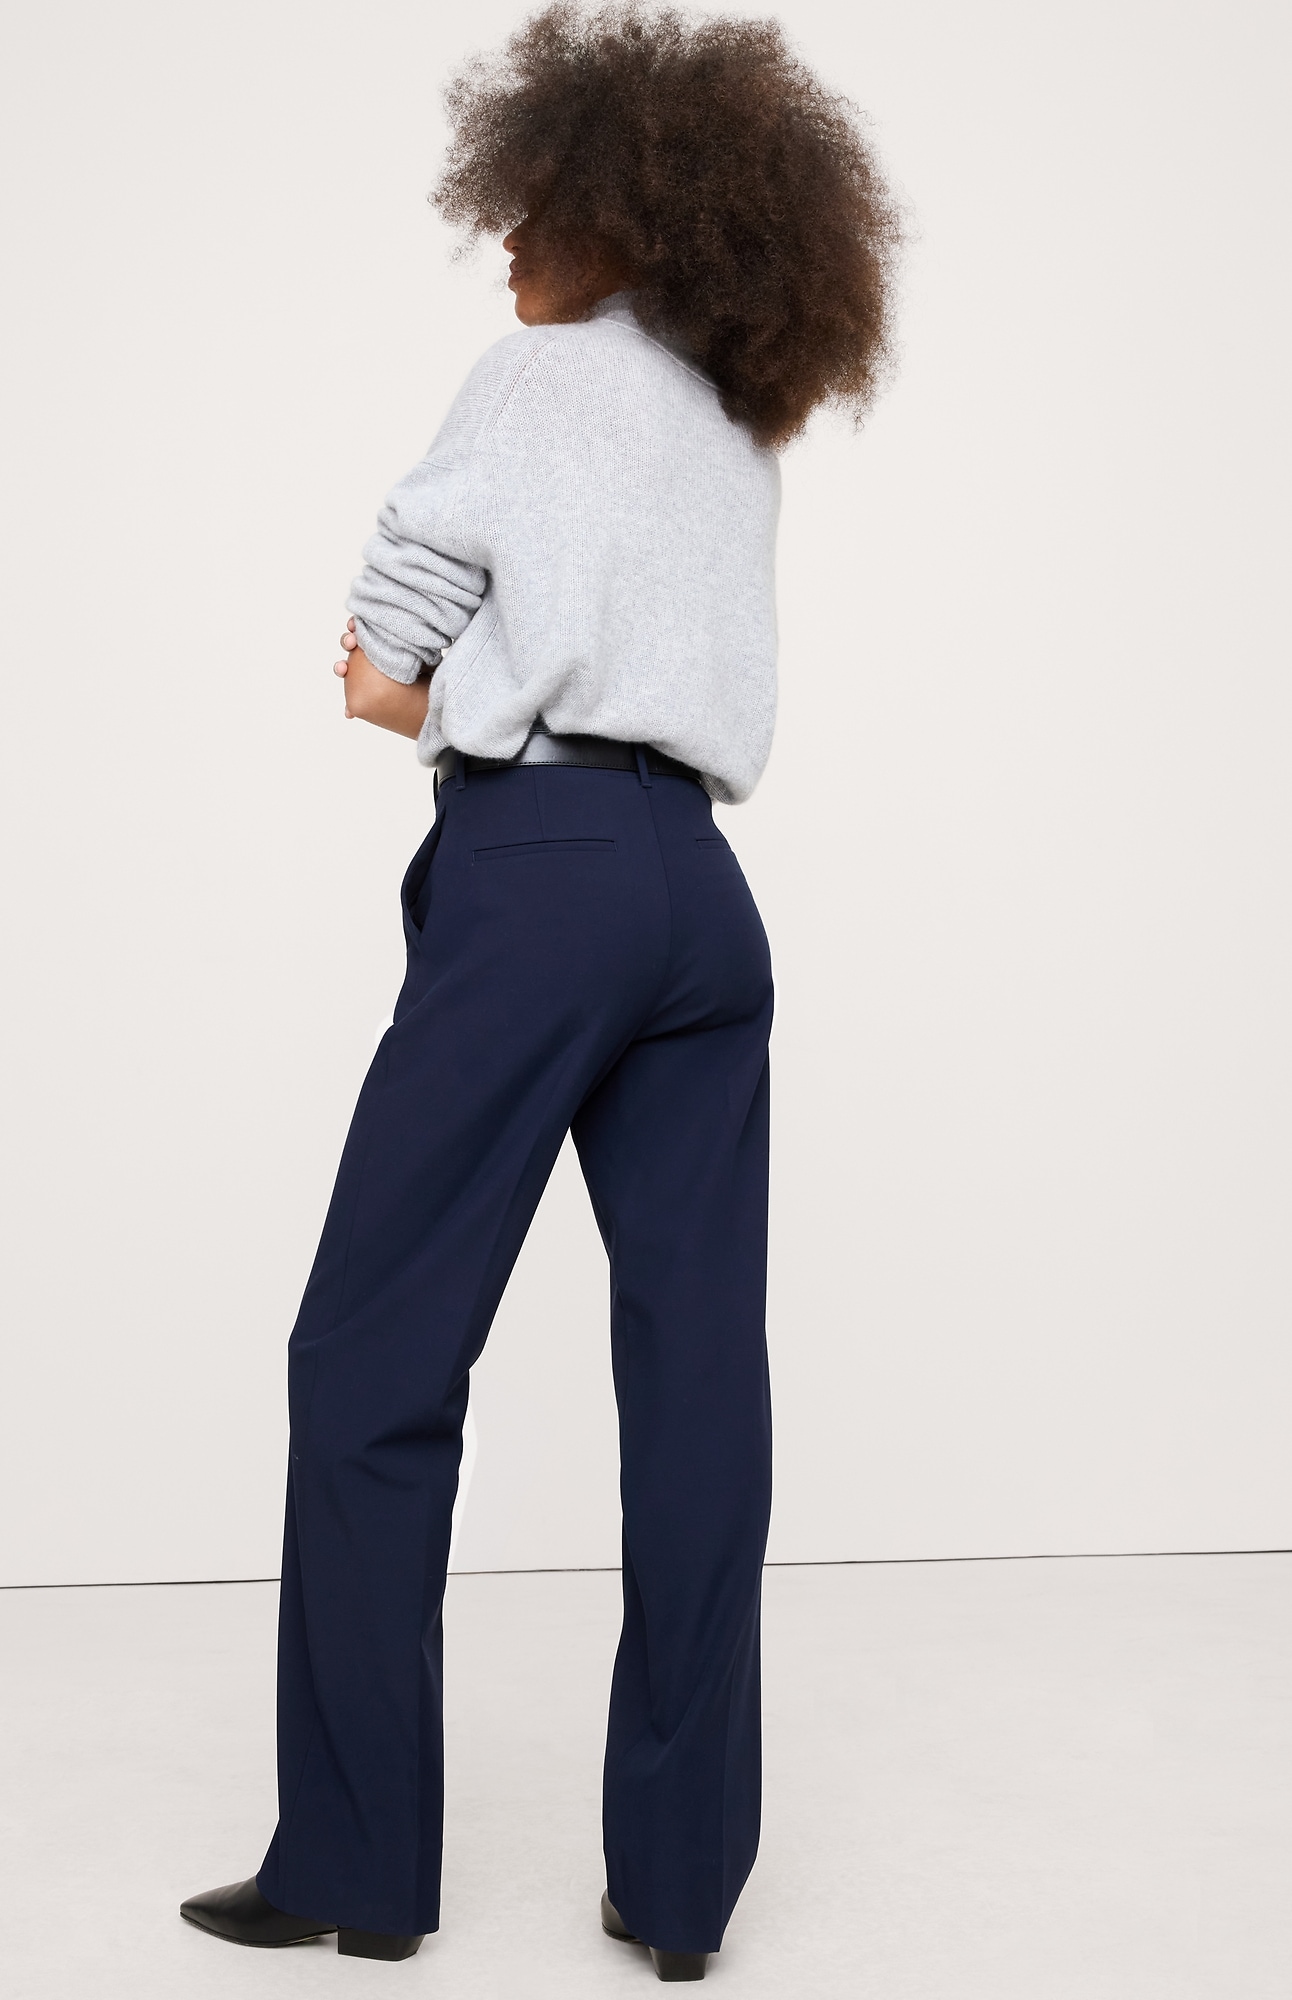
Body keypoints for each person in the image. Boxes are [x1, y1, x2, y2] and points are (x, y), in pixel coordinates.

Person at [180, 2, 899, 1980]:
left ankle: (355, 1863)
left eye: (535, 204)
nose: (505, 236)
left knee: (372, 1355)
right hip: (705, 900)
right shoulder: (733, 427)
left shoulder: (542, 373)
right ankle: (679, 1891)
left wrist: (410, 693)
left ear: (628, 213)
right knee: (700, 1381)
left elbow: (396, 620)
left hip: (548, 870)